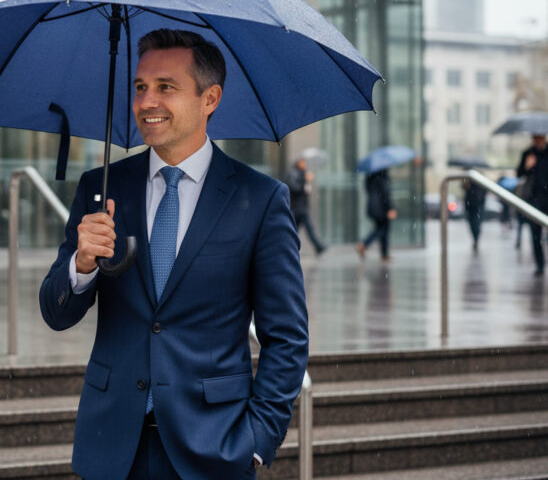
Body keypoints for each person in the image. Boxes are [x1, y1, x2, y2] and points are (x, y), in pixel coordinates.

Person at [39, 29, 309, 480]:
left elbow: (287, 338)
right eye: (140, 87)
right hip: (111, 447)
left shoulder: (261, 199)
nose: (147, 102)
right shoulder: (101, 189)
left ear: (210, 98)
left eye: (166, 87)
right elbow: (55, 313)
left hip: (214, 450)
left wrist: (257, 442)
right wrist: (81, 265)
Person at [516, 134, 548, 276]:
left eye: (540, 138)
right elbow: (519, 173)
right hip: (534, 199)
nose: (537, 140)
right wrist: (527, 166)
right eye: (535, 138)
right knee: (535, 233)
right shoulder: (528, 153)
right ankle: (540, 265)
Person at [286, 157, 327, 255]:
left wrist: (306, 180)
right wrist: (305, 180)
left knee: (295, 230)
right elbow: (294, 188)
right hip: (297, 208)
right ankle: (318, 246)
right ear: (298, 163)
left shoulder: (302, 173)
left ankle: (288, 246)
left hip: (301, 207)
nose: (304, 165)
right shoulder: (293, 173)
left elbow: (304, 190)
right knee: (305, 229)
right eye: (303, 163)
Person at [356, 169, 397, 262]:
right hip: (381, 207)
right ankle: (364, 244)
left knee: (381, 229)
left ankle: (384, 254)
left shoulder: (370, 176)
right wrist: (390, 208)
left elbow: (368, 190)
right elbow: (385, 193)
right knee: (382, 230)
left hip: (372, 206)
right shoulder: (383, 176)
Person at [463, 180, 487, 251]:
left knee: (476, 224)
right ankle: (475, 239)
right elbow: (463, 187)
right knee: (472, 224)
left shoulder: (480, 181)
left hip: (478, 205)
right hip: (471, 206)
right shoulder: (468, 181)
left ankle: (476, 239)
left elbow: (484, 192)